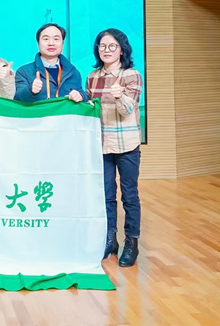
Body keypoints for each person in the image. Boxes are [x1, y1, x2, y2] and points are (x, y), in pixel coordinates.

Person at [86, 29, 143, 267]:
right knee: (106, 195)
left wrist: (119, 96)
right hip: (101, 144)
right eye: (102, 46)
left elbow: (127, 110)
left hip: (126, 143)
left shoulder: (132, 75)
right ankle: (110, 239)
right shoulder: (92, 77)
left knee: (129, 195)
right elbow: (91, 109)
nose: (107, 50)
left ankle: (132, 241)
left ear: (122, 49)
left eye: (112, 46)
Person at [14, 23, 86, 103]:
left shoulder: (73, 72)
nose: (51, 43)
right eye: (46, 39)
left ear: (62, 43)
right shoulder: (24, 72)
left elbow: (85, 99)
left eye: (56, 39)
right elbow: (17, 100)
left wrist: (81, 96)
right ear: (38, 43)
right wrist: (30, 90)